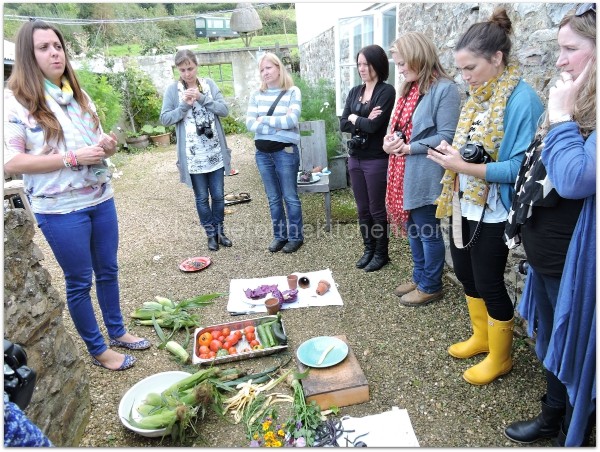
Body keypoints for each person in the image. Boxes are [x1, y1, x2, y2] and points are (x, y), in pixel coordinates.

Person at [3, 20, 149, 371]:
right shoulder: (15, 102)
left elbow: (94, 145)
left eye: (58, 45)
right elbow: (11, 161)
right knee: (80, 281)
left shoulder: (78, 96)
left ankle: (117, 331)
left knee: (109, 270)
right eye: (44, 47)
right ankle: (98, 349)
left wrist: (106, 148)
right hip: (61, 209)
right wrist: (72, 158)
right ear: (28, 54)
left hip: (100, 197)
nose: (55, 52)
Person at [427, 8, 544, 385]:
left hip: (495, 209)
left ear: (497, 59)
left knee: (490, 281)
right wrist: (452, 157)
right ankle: (481, 337)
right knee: (464, 272)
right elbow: (472, 148)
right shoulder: (479, 96)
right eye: (461, 70)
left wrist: (463, 166)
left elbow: (519, 168)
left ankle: (501, 357)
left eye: (470, 68)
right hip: (466, 200)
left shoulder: (522, 100)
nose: (465, 78)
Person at [503, 4, 596, 446]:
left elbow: (577, 180)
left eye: (570, 49)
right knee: (554, 342)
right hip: (549, 257)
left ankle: (573, 430)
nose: (559, 60)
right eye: (558, 49)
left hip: (576, 264)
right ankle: (552, 414)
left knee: (575, 349)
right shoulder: (579, 99)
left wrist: (559, 115)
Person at [382, 32, 461, 306]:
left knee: (427, 231)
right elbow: (400, 129)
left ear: (419, 57)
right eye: (398, 65)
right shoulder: (409, 88)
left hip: (426, 173)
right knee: (413, 229)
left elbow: (447, 136)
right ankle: (419, 276)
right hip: (404, 171)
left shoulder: (445, 89)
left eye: (403, 64)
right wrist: (390, 141)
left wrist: (410, 148)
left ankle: (431, 285)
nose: (401, 70)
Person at [160, 49, 232, 252]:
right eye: (182, 70)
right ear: (177, 70)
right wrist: (183, 106)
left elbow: (224, 110)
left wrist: (202, 98)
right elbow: (165, 119)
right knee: (201, 198)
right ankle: (210, 234)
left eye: (190, 68)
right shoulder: (173, 91)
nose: (187, 74)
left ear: (196, 66)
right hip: (193, 157)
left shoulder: (208, 85)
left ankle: (220, 232)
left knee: (218, 196)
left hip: (215, 153)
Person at [340, 44, 396, 272]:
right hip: (355, 158)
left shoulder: (386, 91)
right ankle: (368, 250)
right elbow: (343, 123)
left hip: (376, 159)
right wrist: (358, 116)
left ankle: (382, 253)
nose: (362, 68)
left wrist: (356, 117)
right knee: (362, 209)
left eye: (366, 64)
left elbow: (374, 126)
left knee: (376, 209)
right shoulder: (355, 91)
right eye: (359, 64)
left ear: (377, 64)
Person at [245, 52, 304, 253]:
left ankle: (295, 237)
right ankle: (280, 236)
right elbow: (250, 123)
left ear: (279, 67)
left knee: (290, 196)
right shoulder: (256, 95)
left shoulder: (292, 91)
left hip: (285, 152)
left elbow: (291, 121)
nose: (265, 72)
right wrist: (276, 127)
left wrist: (264, 120)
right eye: (261, 69)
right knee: (273, 198)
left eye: (268, 67)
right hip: (262, 154)